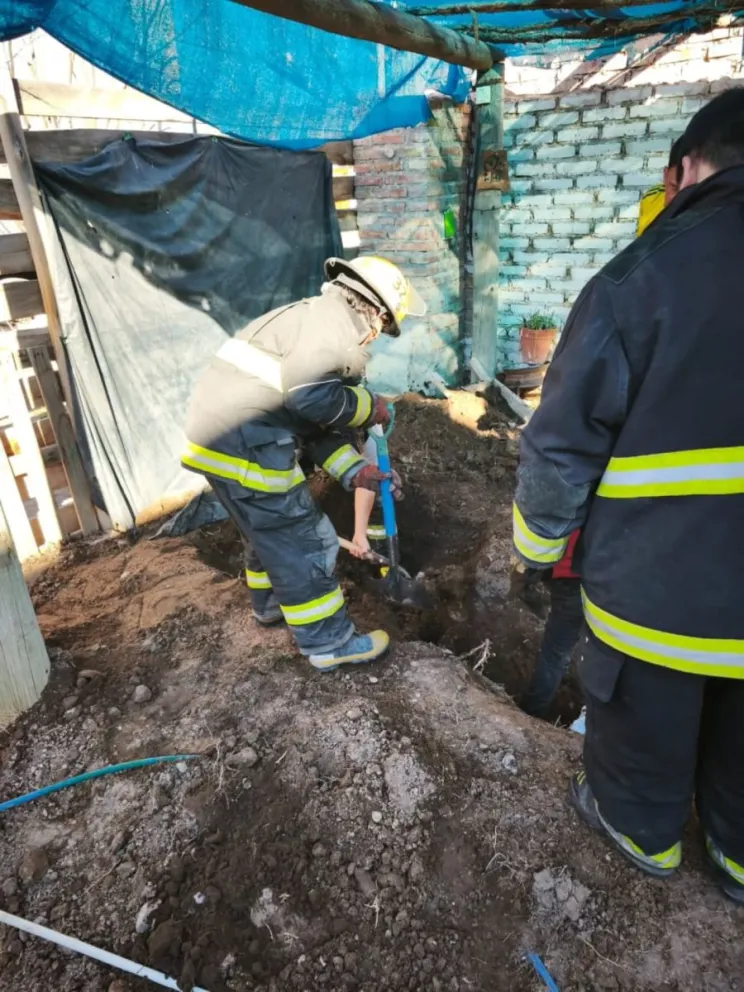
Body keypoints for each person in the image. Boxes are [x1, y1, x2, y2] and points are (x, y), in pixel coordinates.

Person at [511, 89, 744, 903]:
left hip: (657, 600)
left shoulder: (639, 278)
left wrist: (536, 554)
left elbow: (557, 450)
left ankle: (639, 833)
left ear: (682, 169)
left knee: (641, 754)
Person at [182, 255, 426, 672]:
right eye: (381, 331)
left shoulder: (312, 319)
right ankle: (329, 643)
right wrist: (370, 406)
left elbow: (312, 424)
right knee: (308, 540)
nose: (374, 340)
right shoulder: (334, 333)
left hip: (217, 444)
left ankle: (271, 606)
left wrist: (355, 471)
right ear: (377, 313)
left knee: (264, 533)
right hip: (249, 447)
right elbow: (312, 400)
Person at [516, 140, 686, 720]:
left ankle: (551, 712)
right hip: (672, 561)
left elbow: (562, 448)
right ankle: (563, 714)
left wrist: (535, 555)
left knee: (579, 637)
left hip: (602, 553)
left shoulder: (625, 297)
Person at [636, 136, 683, 235]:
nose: (681, 200)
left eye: (690, 190)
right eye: (674, 188)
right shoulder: (651, 198)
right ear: (666, 175)